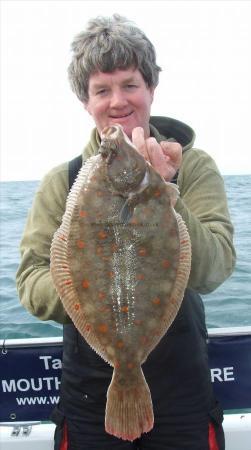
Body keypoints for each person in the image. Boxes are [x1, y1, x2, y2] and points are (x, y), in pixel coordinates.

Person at [16, 14, 236, 450]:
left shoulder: (193, 168)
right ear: (86, 101)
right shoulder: (64, 182)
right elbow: (30, 280)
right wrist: (89, 290)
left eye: (130, 84)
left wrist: (165, 191)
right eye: (102, 89)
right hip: (88, 400)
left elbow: (216, 266)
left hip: (182, 394)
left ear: (151, 88)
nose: (118, 100)